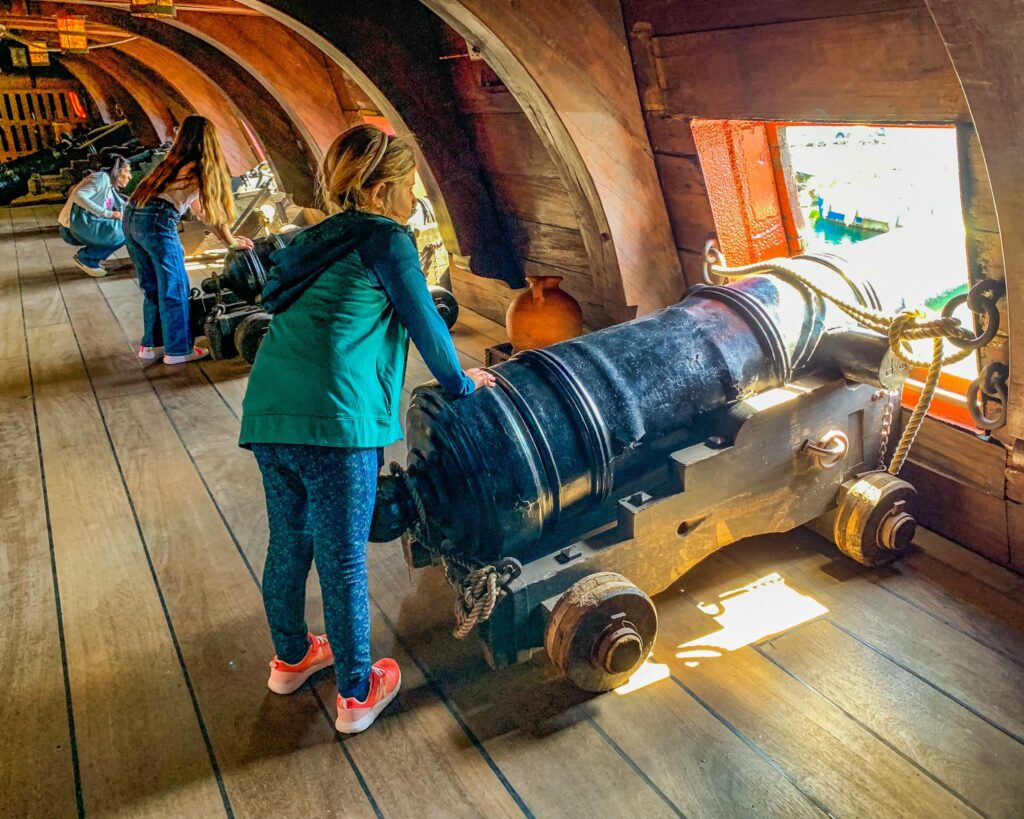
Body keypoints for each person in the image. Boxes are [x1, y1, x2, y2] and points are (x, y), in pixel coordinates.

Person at [238, 124, 496, 734]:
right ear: (382, 188)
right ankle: (357, 692)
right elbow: (427, 323)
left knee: (289, 539)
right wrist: (462, 384)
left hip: (269, 411)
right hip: (335, 419)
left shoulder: (314, 238)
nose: (413, 199)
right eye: (409, 186)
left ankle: (292, 657)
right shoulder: (387, 239)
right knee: (343, 557)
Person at [123, 115, 253, 366]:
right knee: (175, 286)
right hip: (157, 219)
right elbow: (212, 214)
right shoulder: (201, 166)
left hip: (131, 215)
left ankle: (152, 345)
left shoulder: (172, 162)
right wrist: (231, 243)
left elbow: (200, 211)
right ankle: (178, 349)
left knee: (152, 286)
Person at [57, 154, 131, 278]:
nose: (130, 176)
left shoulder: (108, 183)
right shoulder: (101, 178)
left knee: (123, 227)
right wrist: (107, 213)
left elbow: (121, 204)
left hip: (80, 224)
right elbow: (78, 196)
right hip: (70, 227)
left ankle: (90, 256)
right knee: (124, 231)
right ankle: (87, 258)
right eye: (127, 171)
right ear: (117, 170)